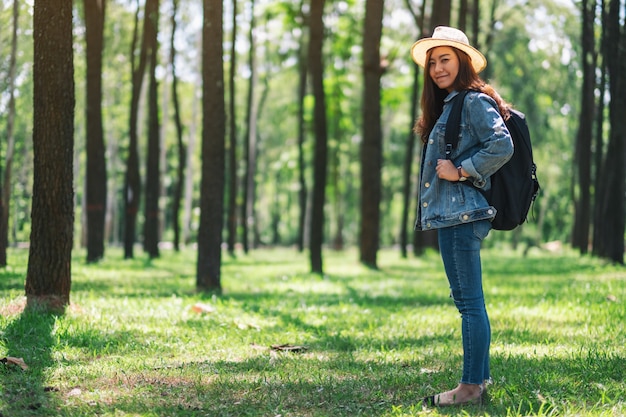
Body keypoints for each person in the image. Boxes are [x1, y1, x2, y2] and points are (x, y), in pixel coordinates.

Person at [410, 26, 514, 407]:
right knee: (469, 301)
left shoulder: (471, 101)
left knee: (469, 303)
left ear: (463, 62)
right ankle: (479, 380)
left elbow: (502, 143)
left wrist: (462, 169)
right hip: (454, 215)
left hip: (461, 216)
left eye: (445, 60)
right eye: (433, 62)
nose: (437, 68)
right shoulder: (454, 103)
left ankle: (470, 387)